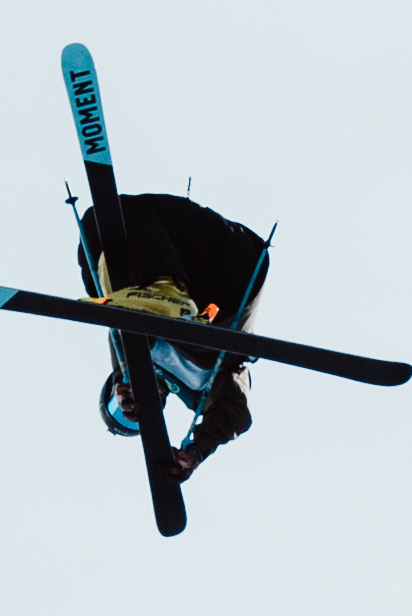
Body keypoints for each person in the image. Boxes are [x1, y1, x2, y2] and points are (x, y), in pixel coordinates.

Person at [77, 194, 269, 479]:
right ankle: (168, 290)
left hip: (197, 252)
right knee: (106, 223)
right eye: (132, 419)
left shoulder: (127, 341)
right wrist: (196, 452)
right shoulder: (198, 391)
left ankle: (167, 290)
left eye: (119, 406)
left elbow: (121, 348)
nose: (129, 410)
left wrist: (126, 379)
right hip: (230, 287)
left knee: (97, 226)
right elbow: (235, 412)